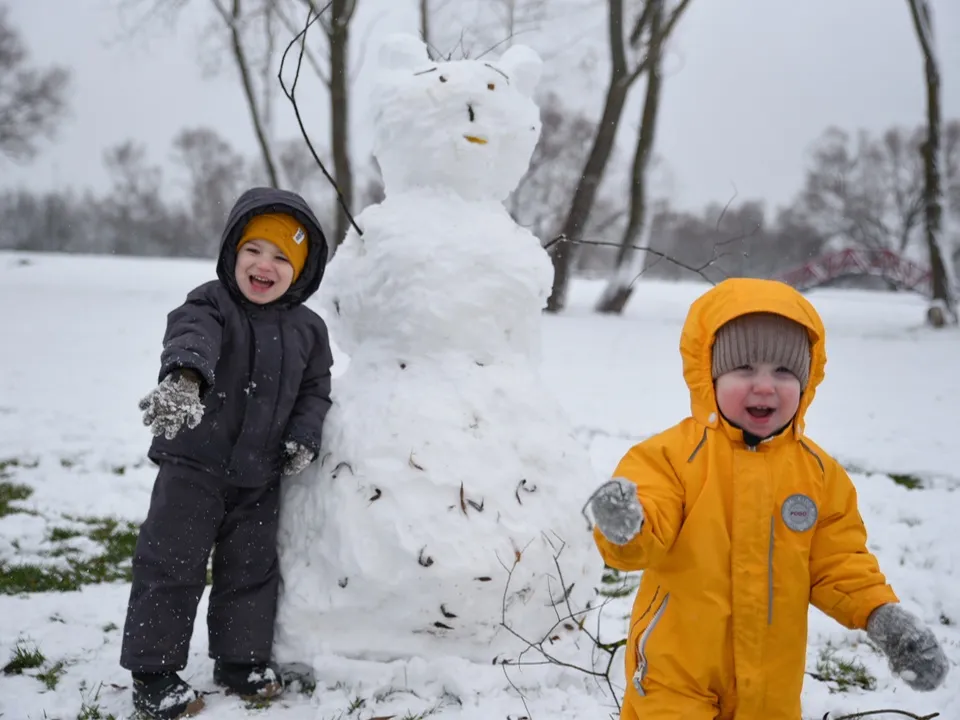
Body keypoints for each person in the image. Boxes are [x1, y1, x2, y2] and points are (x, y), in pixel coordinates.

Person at [587, 277, 948, 720]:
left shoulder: (818, 474)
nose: (764, 387)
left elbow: (839, 563)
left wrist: (881, 615)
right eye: (744, 370)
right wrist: (628, 524)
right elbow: (648, 530)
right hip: (676, 675)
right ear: (709, 375)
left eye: (783, 372)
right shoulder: (670, 457)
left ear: (807, 380)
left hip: (772, 684)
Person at [120, 188, 334, 719]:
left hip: (260, 475)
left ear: (302, 270)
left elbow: (315, 390)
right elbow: (192, 338)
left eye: (282, 256)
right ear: (232, 253)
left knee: (251, 570)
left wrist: (304, 437)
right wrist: (186, 378)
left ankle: (239, 660)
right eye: (253, 250)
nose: (265, 265)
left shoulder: (309, 329)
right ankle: (153, 670)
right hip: (194, 465)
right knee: (171, 563)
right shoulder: (211, 302)